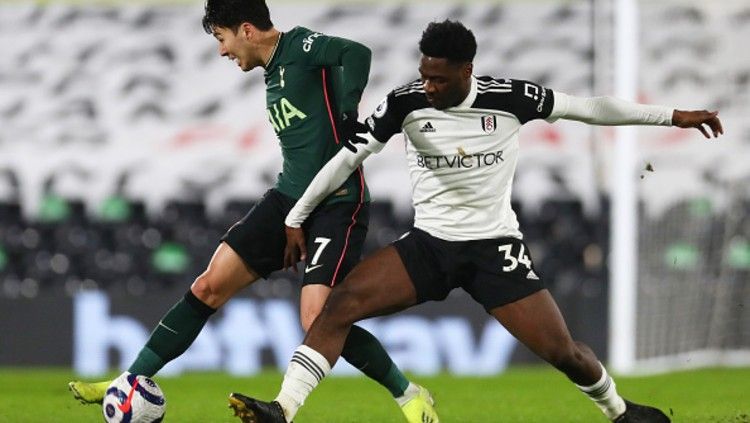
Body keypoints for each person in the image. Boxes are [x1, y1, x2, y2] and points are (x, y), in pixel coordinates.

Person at [228, 19, 724, 423]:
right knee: (337, 308)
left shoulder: (510, 98)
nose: (429, 85)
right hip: (430, 246)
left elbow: (590, 108)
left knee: (565, 353)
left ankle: (619, 412)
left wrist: (671, 115)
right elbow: (346, 159)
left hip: (494, 250)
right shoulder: (404, 103)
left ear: (468, 71)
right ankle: (282, 410)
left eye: (439, 78)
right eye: (424, 74)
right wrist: (297, 215)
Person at [67, 1, 440, 422]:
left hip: (336, 203)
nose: (222, 51)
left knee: (319, 316)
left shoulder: (300, 46)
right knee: (209, 285)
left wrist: (349, 112)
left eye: (222, 39)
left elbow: (356, 53)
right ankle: (131, 378)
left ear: (246, 30)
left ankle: (409, 393)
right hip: (287, 198)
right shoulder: (271, 72)